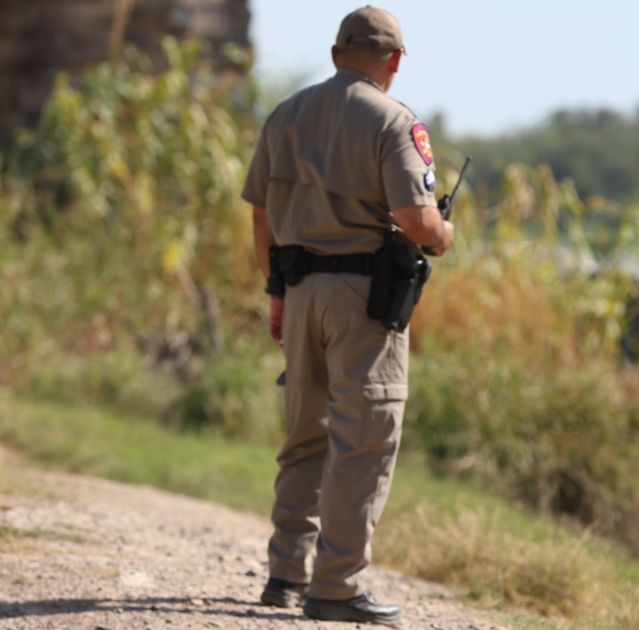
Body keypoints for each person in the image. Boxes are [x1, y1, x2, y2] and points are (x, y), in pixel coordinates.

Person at [242, 6, 454, 625]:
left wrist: (278, 293)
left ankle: (285, 574)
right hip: (363, 298)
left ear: (336, 54)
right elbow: (416, 223)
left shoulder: (284, 114)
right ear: (394, 61)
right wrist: (443, 234)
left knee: (304, 433)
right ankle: (335, 589)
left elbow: (260, 215)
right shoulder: (394, 120)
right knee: (363, 439)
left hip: (299, 291)